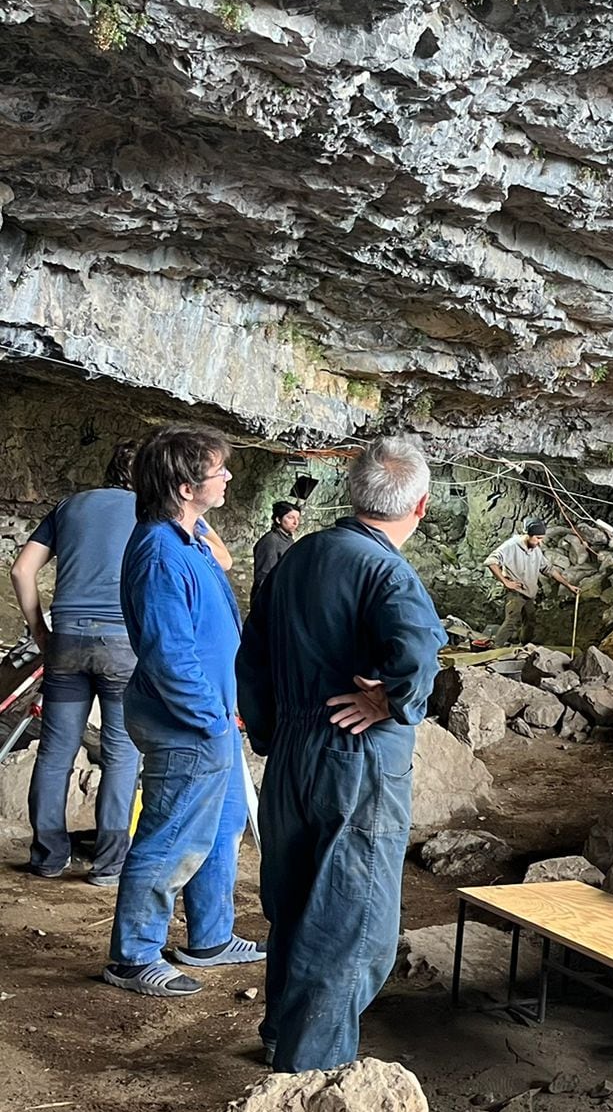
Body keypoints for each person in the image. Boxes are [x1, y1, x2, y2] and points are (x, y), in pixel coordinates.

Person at [237, 438, 442, 1071]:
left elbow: (253, 655)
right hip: (354, 758)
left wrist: (274, 735)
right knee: (351, 925)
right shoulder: (387, 572)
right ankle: (309, 1077)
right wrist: (393, 702)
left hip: (294, 754)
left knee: (297, 902)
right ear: (422, 506)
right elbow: (417, 654)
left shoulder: (301, 557)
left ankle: (282, 1031)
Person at [104, 426, 263, 997]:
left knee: (220, 830)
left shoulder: (188, 538)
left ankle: (210, 939)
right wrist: (211, 716)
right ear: (182, 483)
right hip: (187, 723)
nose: (226, 477)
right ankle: (132, 956)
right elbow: (168, 653)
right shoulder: (158, 551)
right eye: (217, 469)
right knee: (171, 838)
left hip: (210, 717)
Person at [11, 442, 141, 885]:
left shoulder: (70, 506)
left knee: (55, 751)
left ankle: (48, 857)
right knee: (122, 753)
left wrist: (38, 631)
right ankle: (108, 866)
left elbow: (21, 569)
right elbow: (215, 559)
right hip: (123, 642)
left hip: (66, 637)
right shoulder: (154, 510)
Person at [485, 518, 579, 647]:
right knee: (511, 622)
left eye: (541, 538)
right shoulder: (511, 546)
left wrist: (568, 586)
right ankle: (495, 648)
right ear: (528, 535)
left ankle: (524, 646)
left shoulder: (535, 549)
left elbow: (548, 569)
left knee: (530, 622)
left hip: (529, 594)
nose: (540, 542)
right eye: (538, 538)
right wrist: (505, 582)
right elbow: (491, 561)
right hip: (516, 593)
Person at [251, 499, 302, 598]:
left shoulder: (288, 539)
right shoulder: (270, 541)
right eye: (290, 518)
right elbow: (264, 577)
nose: (295, 522)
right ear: (278, 519)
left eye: (298, 518)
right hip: (269, 596)